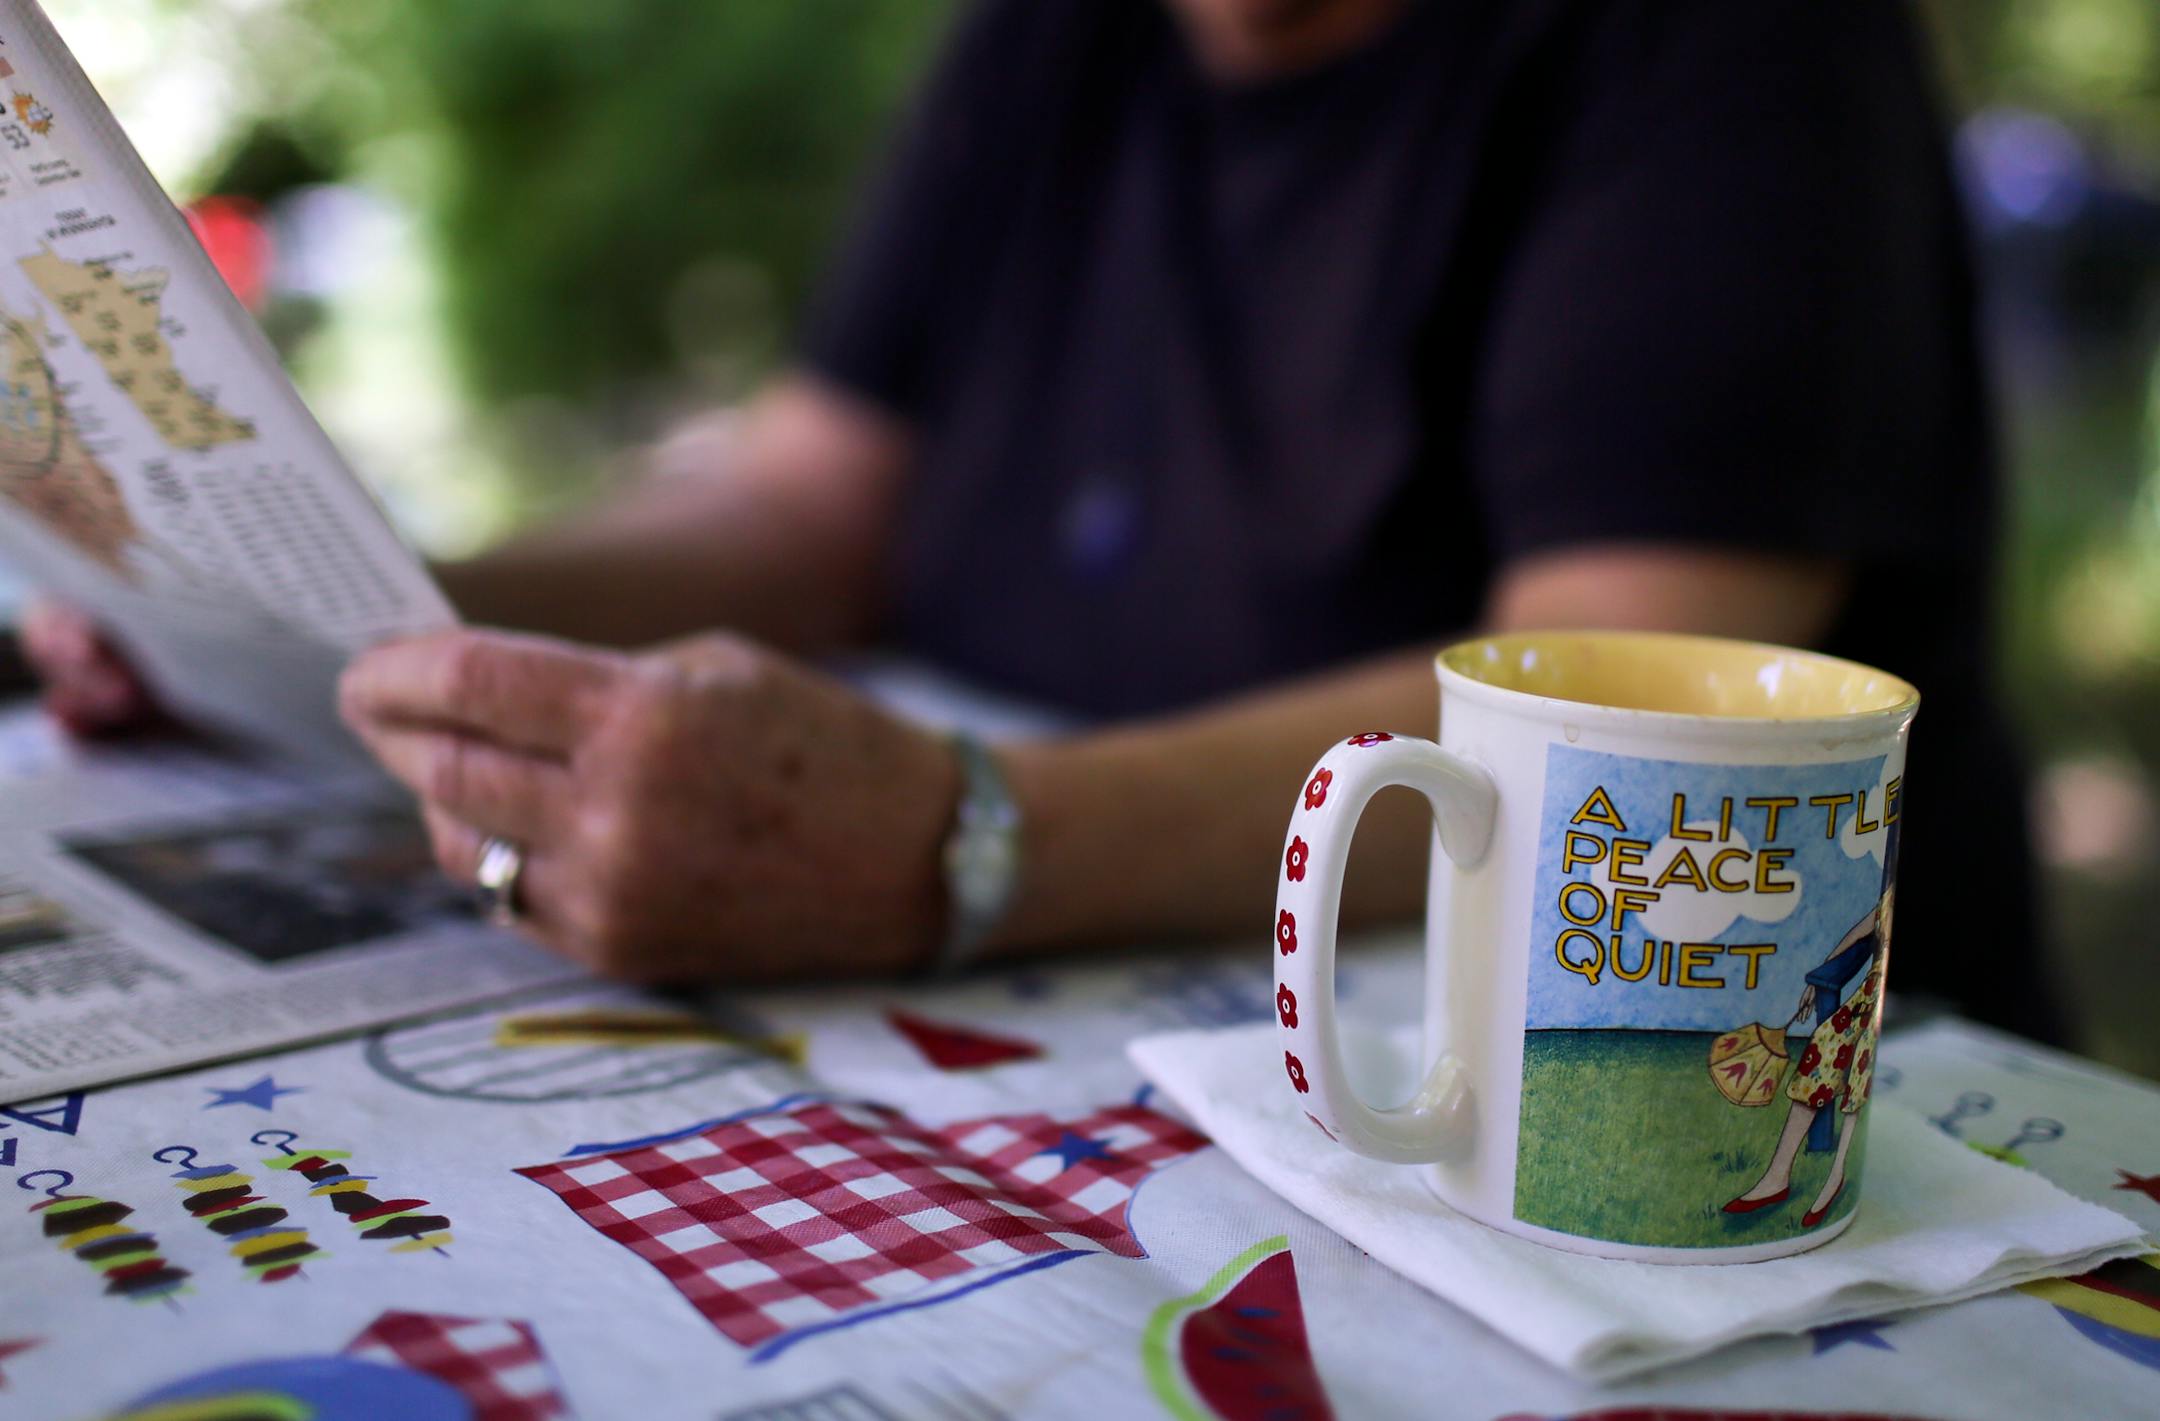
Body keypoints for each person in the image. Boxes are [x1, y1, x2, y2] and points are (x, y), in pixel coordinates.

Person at [17, 0, 2061, 1038]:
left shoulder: (1722, 47)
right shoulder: (1059, 35)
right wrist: (359, 611)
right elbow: (808, 510)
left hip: (1740, 1138)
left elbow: (1634, 722)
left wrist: (955, 843)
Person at [1723, 829, 1897, 1224]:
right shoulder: (1882, 900)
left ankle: (1837, 1174)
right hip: (1862, 1001)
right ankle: (1777, 1175)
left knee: (1860, 1066)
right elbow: (1859, 932)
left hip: (1871, 1002)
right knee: (1822, 1052)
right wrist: (1816, 980)